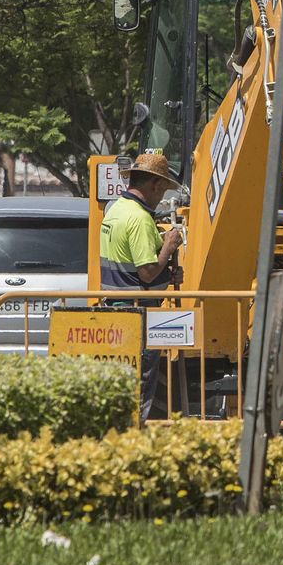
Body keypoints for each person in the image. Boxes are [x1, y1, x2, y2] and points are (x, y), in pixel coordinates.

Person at [99, 152, 184, 422]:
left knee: (120, 379)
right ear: (155, 185)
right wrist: (168, 247)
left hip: (114, 307)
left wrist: (167, 272)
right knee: (141, 380)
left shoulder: (115, 210)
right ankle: (136, 430)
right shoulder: (139, 219)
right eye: (163, 190)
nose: (162, 197)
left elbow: (130, 263)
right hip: (139, 312)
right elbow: (147, 273)